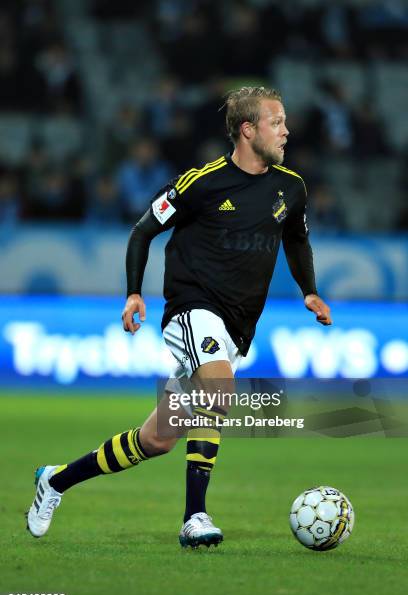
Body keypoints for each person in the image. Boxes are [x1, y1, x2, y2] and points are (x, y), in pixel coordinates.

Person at [27, 86, 332, 548]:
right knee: (220, 387)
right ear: (248, 130)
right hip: (191, 310)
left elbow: (296, 239)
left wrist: (309, 291)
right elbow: (142, 230)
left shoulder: (291, 187)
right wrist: (133, 293)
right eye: (277, 122)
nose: (286, 130)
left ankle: (54, 481)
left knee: (157, 439)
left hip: (237, 328)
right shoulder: (201, 182)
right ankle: (195, 516)